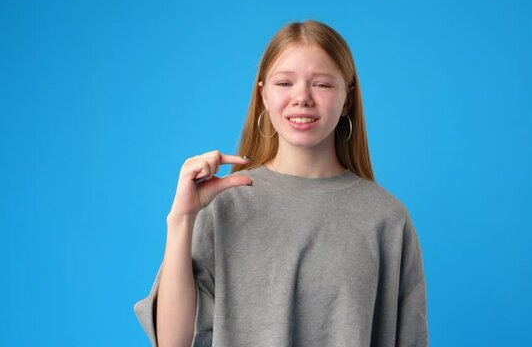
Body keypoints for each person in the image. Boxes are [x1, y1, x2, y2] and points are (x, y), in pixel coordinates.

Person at [133, 19, 429, 347]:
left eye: (322, 84)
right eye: (285, 83)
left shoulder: (387, 219)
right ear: (263, 96)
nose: (302, 97)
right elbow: (172, 342)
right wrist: (181, 220)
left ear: (347, 99)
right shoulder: (224, 204)